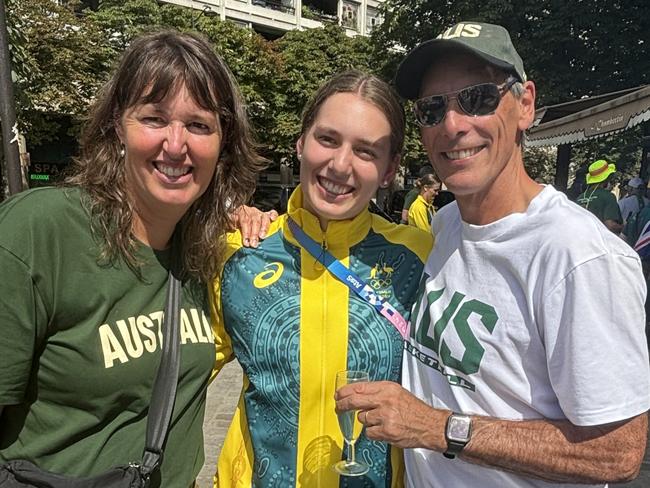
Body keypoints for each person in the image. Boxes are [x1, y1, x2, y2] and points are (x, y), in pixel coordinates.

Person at [336, 21, 650, 488]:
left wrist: (436, 426)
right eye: (432, 108)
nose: (453, 124)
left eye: (478, 99)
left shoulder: (577, 256)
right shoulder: (445, 226)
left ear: (525, 105)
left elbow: (617, 451)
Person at [0, 30, 265, 487]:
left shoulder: (205, 252)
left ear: (223, 146)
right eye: (154, 118)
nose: (176, 144)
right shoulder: (38, 232)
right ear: (116, 127)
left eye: (199, 125)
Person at [211, 70, 433, 488]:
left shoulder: (421, 258)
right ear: (301, 143)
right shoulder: (239, 252)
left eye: (366, 151)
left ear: (390, 170)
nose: (340, 164)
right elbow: (176, 377)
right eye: (327, 139)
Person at [576, 159, 624, 233]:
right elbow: (610, 225)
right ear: (607, 178)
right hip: (599, 241)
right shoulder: (608, 196)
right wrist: (624, 227)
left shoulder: (580, 198)